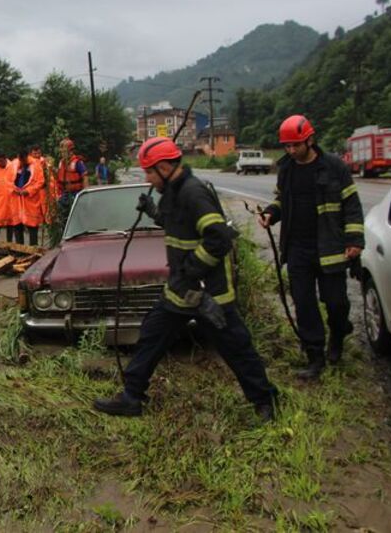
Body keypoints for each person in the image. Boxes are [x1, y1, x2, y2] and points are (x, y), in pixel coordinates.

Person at [93, 137, 278, 421]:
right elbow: (178, 226)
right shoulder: (173, 193)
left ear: (166, 167)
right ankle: (132, 397)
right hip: (180, 291)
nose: (147, 178)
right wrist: (154, 212)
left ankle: (264, 401)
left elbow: (219, 240)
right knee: (151, 336)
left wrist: (189, 272)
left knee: (236, 347)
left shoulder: (194, 193)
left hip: (210, 294)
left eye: (150, 172)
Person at [258, 115, 364, 380]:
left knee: (337, 303)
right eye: (287, 146)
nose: (291, 150)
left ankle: (338, 334)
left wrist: (354, 241)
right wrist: (271, 214)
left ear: (310, 140)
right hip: (297, 249)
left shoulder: (334, 168)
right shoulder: (287, 170)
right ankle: (315, 356)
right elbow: (282, 200)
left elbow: (352, 205)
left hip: (329, 247)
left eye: (296, 145)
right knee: (304, 304)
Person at [12, 149, 44, 246]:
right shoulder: (14, 165)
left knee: (32, 226)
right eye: (20, 160)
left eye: (23, 160)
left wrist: (29, 191)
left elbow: (40, 182)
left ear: (27, 156)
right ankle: (19, 250)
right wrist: (14, 189)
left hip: (30, 201)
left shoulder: (36, 165)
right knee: (17, 226)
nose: (21, 162)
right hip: (17, 200)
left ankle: (34, 250)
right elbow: (8, 181)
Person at [54, 138, 86, 228]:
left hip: (76, 193)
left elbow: (85, 177)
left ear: (70, 151)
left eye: (64, 152)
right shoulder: (61, 163)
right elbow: (59, 178)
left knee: (76, 216)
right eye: (61, 152)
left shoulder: (78, 163)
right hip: (65, 193)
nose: (62, 154)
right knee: (62, 214)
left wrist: (85, 194)